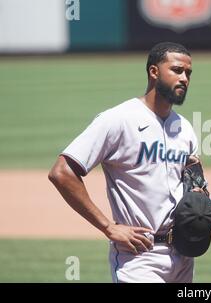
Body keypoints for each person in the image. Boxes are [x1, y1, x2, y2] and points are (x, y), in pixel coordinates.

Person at [48, 42, 203, 283]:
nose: (184, 78)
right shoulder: (118, 119)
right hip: (138, 257)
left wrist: (200, 199)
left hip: (182, 256)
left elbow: (194, 184)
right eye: (177, 70)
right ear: (154, 72)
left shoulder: (185, 128)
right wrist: (109, 227)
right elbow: (62, 172)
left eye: (188, 73)